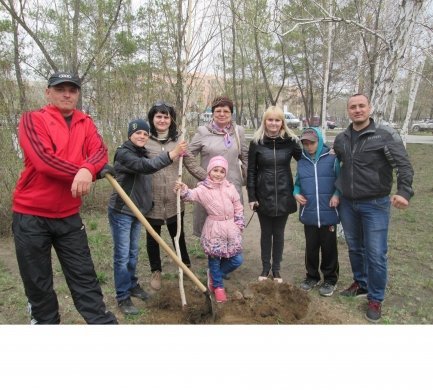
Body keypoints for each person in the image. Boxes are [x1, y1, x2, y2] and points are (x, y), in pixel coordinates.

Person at [11, 71, 117, 324]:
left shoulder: (86, 122)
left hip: (68, 216)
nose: (67, 94)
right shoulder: (31, 119)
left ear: (78, 95)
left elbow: (99, 152)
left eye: (72, 89)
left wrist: (87, 168)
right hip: (31, 216)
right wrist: (86, 172)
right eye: (60, 89)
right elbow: (44, 160)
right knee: (38, 284)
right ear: (48, 92)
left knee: (85, 278)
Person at [333, 93, 414, 323]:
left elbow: (404, 165)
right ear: (348, 111)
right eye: (352, 107)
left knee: (376, 254)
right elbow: (340, 164)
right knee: (355, 248)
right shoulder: (342, 139)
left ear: (369, 108)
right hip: (348, 204)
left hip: (375, 205)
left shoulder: (384, 135)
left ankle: (376, 298)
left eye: (361, 106)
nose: (357, 110)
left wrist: (404, 192)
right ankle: (361, 283)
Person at [108, 118, 187, 315]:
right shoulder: (124, 153)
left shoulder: (140, 152)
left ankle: (132, 285)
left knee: (133, 253)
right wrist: (172, 154)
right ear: (129, 135)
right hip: (122, 212)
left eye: (145, 133)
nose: (142, 136)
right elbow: (147, 167)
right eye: (138, 133)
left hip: (137, 212)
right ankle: (122, 297)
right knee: (122, 256)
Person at [174, 156, 244, 303]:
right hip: (214, 230)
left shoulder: (230, 187)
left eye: (221, 171)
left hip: (231, 229)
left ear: (225, 173)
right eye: (215, 170)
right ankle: (218, 287)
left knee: (237, 259)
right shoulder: (203, 189)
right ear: (209, 171)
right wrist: (182, 189)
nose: (218, 174)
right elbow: (189, 196)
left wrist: (238, 223)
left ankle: (213, 275)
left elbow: (238, 206)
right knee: (215, 260)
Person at [247, 106, 302, 283]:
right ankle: (265, 268)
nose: (273, 123)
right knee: (266, 233)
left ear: (282, 123)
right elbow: (251, 172)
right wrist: (252, 196)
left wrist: (325, 152)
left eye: (277, 120)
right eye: (270, 120)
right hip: (264, 195)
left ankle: (276, 269)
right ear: (265, 121)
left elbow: (306, 161)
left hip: (284, 194)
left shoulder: (291, 141)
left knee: (278, 233)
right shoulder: (256, 142)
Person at [145, 101, 196, 291]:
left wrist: (211, 179)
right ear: (152, 118)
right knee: (153, 237)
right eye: (158, 116)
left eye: (166, 116)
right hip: (152, 198)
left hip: (174, 198)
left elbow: (191, 164)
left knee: (178, 234)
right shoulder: (145, 139)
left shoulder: (179, 140)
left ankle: (185, 266)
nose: (162, 120)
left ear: (171, 119)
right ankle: (156, 270)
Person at [186, 96, 248, 238]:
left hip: (231, 189)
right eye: (218, 110)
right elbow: (188, 155)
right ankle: (213, 258)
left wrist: (245, 179)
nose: (221, 114)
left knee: (231, 228)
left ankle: (229, 256)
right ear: (213, 113)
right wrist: (204, 176)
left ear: (231, 114)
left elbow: (245, 157)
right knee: (210, 229)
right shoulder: (202, 132)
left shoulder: (239, 132)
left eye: (226, 111)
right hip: (210, 191)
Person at [293, 127, 340, 297]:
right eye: (305, 143)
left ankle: (330, 279)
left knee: (329, 248)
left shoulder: (332, 158)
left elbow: (340, 181)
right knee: (311, 247)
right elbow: (297, 183)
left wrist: (337, 195)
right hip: (310, 212)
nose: (308, 146)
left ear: (319, 141)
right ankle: (311, 276)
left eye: (311, 142)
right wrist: (296, 193)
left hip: (329, 212)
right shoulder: (302, 160)